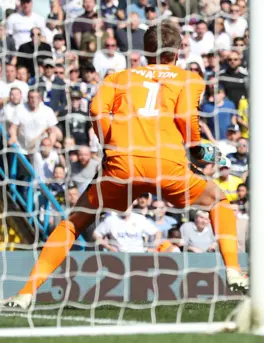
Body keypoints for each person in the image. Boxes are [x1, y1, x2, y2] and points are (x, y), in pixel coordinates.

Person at [2, 21, 248, 309]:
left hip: (120, 164)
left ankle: (27, 291)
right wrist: (203, 152)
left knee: (74, 222)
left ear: (144, 51)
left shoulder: (119, 77)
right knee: (218, 201)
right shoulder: (189, 79)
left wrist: (108, 146)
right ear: (178, 51)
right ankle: (232, 268)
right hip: (166, 163)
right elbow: (186, 122)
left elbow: (96, 109)